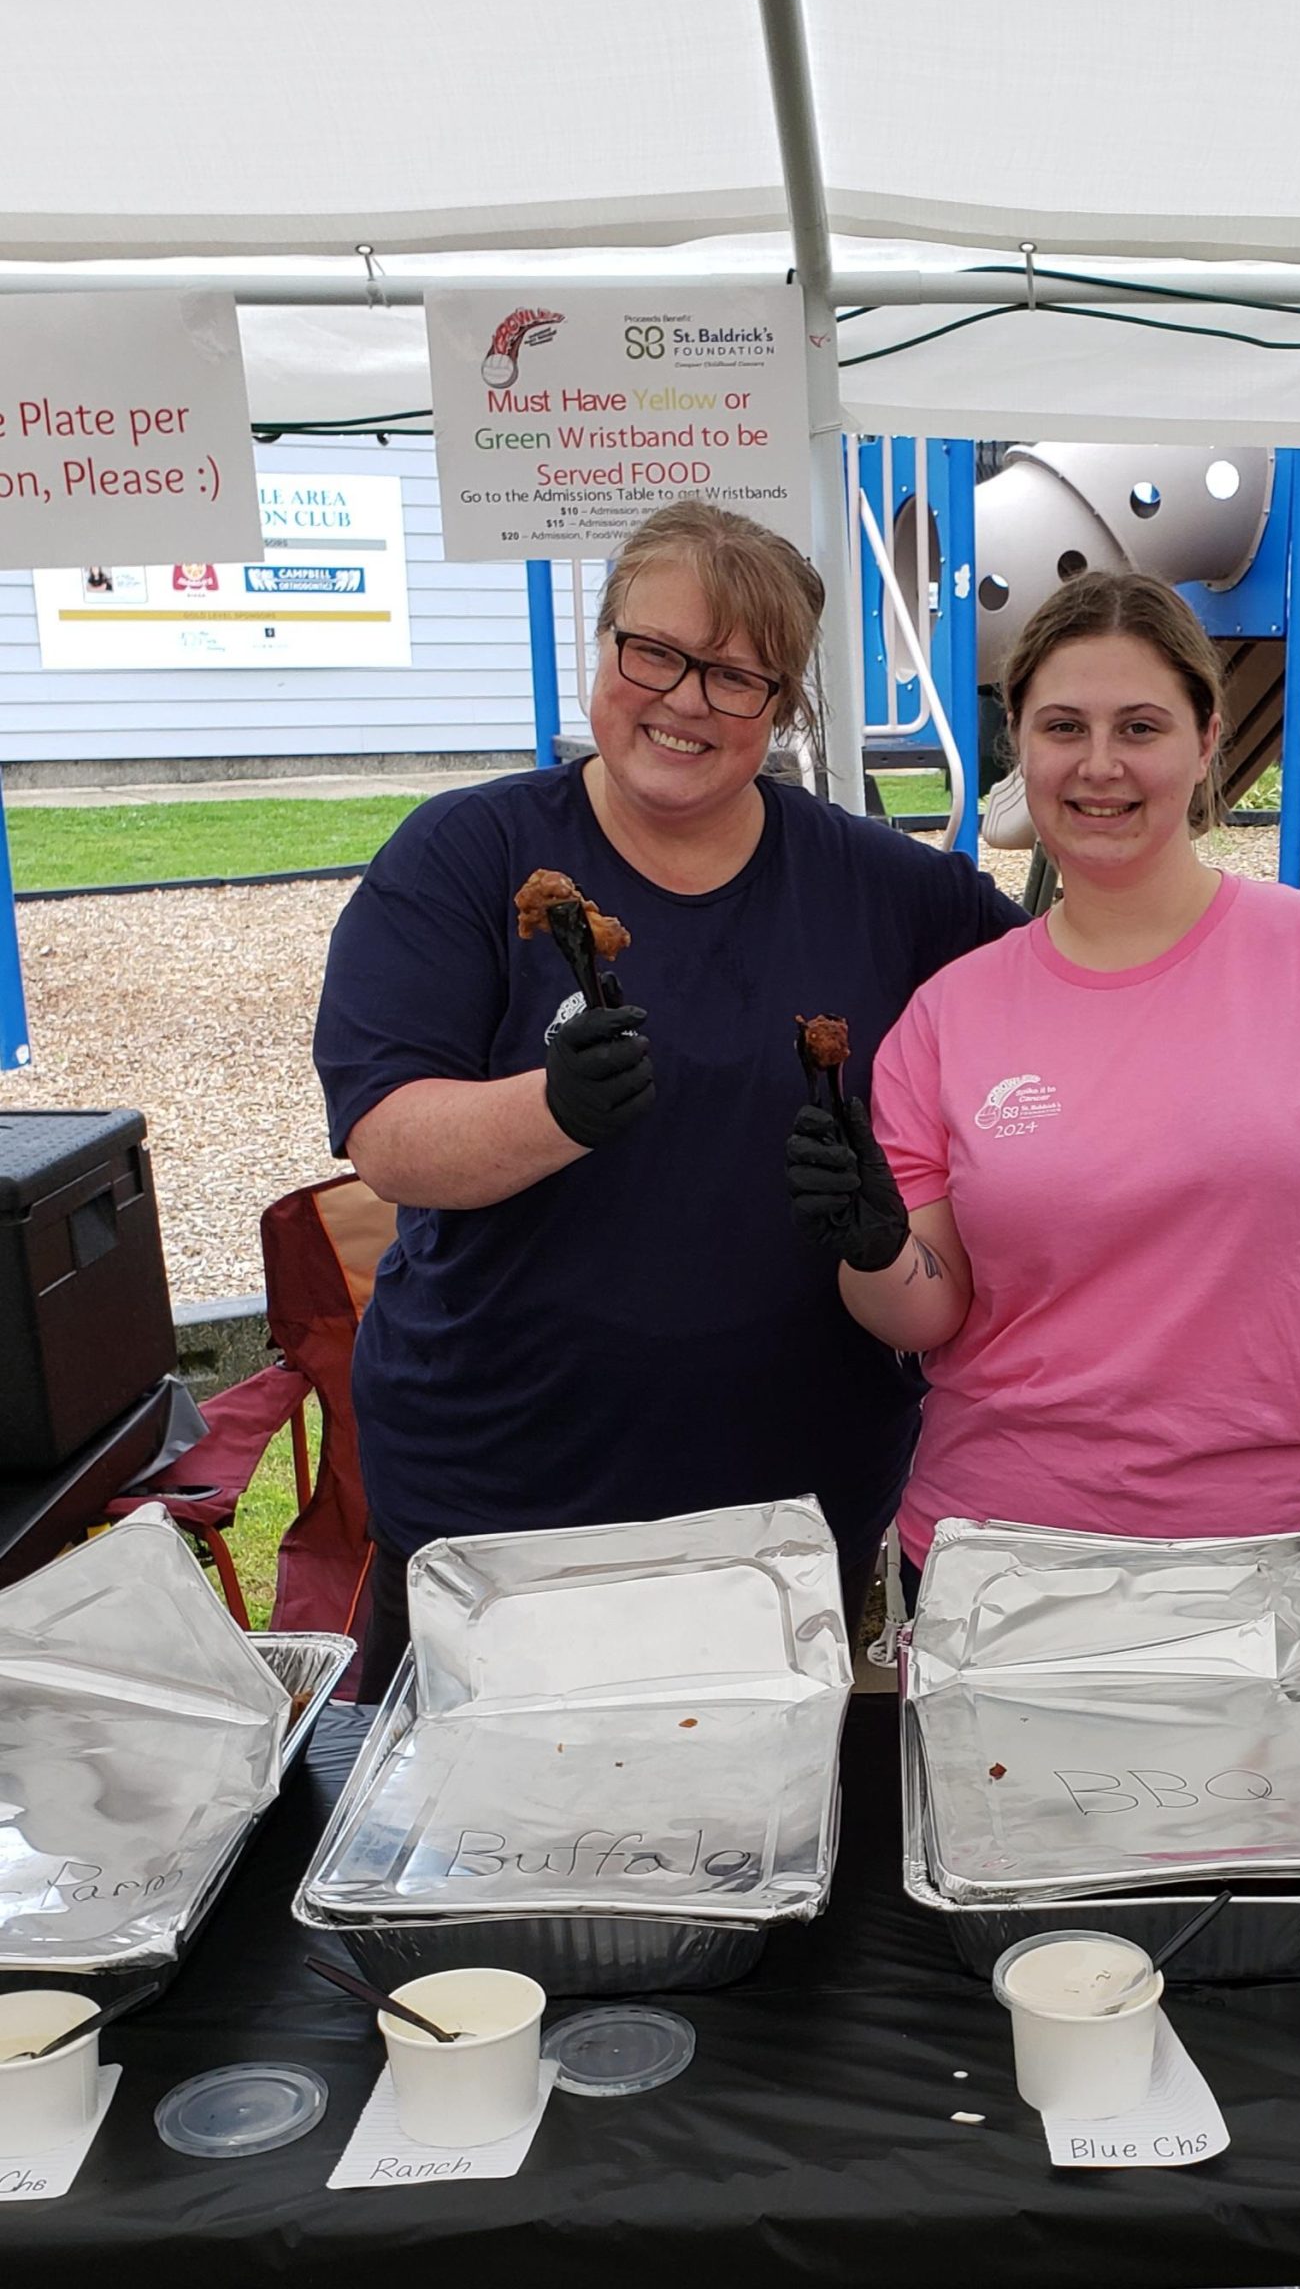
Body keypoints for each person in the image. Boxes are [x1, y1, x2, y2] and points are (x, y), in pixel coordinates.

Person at [314, 500, 1023, 1696]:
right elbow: (388, 1138)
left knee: (775, 1848)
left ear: (784, 707)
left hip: (793, 1508)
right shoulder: (467, 859)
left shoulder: (884, 889)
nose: (685, 698)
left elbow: (1072, 990)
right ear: (604, 649)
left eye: (738, 676)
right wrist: (552, 1112)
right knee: (488, 1853)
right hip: (504, 1503)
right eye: (654, 652)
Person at [786, 571, 1300, 1687]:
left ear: (1206, 740)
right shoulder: (948, 1018)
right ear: (1021, 740)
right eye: (1063, 727)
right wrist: (869, 1245)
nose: (1100, 764)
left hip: (1280, 1562)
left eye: (1141, 727)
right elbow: (926, 1309)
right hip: (1000, 1570)